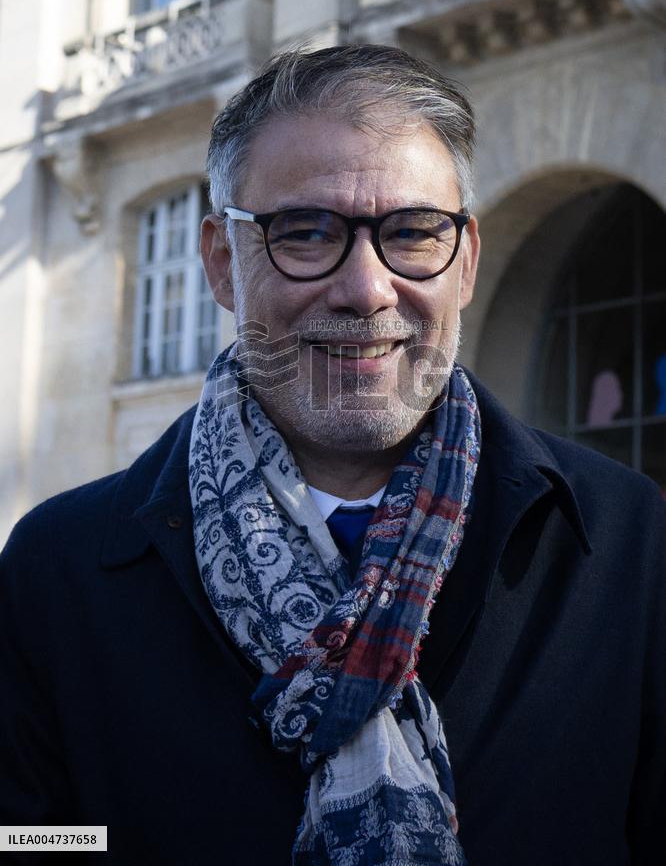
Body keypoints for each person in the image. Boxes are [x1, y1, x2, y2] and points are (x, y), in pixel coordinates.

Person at [1, 45, 664, 866]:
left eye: (414, 232)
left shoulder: (627, 542)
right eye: (307, 233)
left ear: (466, 264)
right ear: (219, 261)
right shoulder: (57, 570)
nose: (367, 287)